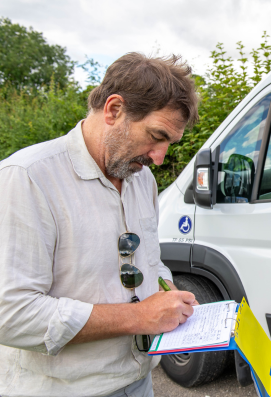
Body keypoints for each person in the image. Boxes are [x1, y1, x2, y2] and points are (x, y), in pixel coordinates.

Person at [0, 53, 201, 397]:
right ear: (113, 110)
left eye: (169, 143)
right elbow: (11, 314)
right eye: (156, 135)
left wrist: (168, 291)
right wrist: (139, 318)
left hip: (138, 381)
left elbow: (149, 258)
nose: (159, 157)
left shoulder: (142, 179)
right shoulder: (28, 178)